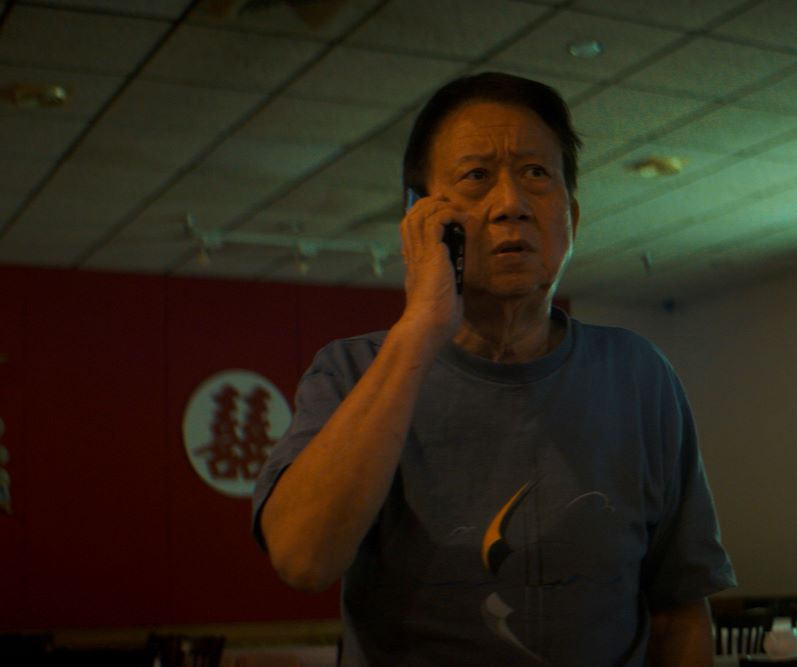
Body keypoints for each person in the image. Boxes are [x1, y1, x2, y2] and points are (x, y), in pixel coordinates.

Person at [252, 72, 735, 666]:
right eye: (477, 177)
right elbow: (303, 558)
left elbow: (679, 610)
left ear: (572, 219)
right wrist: (421, 327)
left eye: (536, 175)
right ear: (420, 221)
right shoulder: (352, 372)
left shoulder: (638, 375)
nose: (511, 205)